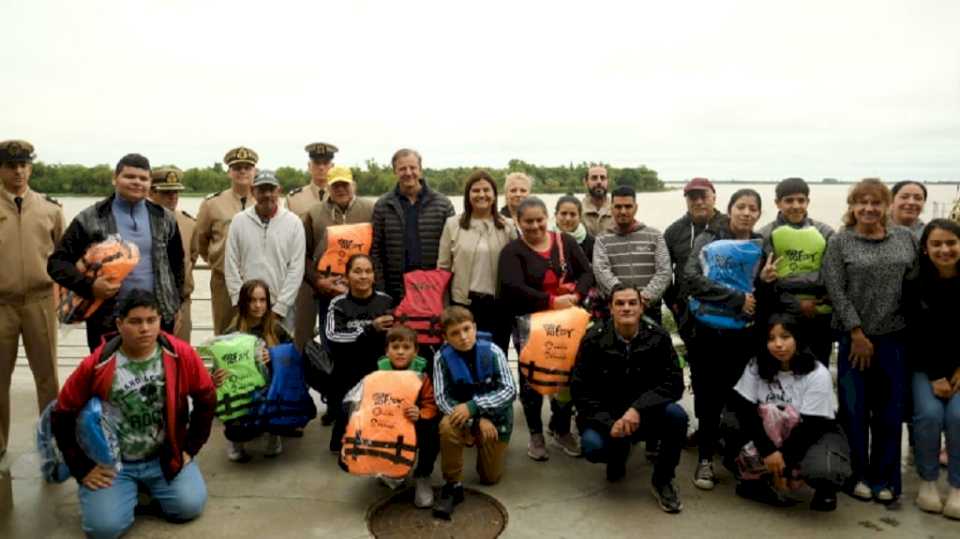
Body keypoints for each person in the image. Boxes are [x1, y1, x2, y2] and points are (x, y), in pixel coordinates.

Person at [50, 290, 216, 539]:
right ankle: (124, 492)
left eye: (152, 320)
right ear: (120, 324)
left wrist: (190, 447)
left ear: (161, 320)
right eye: (135, 322)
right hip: (114, 464)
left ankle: (142, 491)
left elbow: (206, 399)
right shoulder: (98, 363)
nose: (145, 329)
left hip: (163, 457)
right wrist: (82, 468)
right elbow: (62, 414)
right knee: (103, 530)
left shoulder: (181, 354)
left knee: (188, 507)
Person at [683, 188, 787, 491]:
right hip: (706, 332)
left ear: (758, 214)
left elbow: (762, 299)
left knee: (743, 397)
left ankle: (738, 456)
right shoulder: (708, 239)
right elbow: (692, 278)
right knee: (706, 397)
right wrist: (734, 298)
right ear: (729, 209)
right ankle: (705, 459)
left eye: (752, 208)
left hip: (743, 336)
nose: (746, 213)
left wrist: (765, 284)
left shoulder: (761, 245)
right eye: (740, 206)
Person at [822, 178, 918, 504]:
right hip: (855, 340)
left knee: (890, 413)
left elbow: (914, 286)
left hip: (894, 339)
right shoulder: (840, 242)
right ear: (851, 206)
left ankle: (886, 479)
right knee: (854, 410)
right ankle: (857, 475)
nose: (868, 208)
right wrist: (856, 332)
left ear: (886, 205)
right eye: (861, 202)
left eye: (875, 202)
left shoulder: (905, 238)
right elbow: (835, 289)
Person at [48, 153, 184, 351]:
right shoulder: (90, 218)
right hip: (106, 319)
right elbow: (57, 263)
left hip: (157, 318)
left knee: (157, 377)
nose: (137, 182)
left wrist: (176, 304)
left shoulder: (164, 218)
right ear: (115, 178)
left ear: (150, 183)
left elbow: (177, 264)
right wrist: (90, 286)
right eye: (130, 177)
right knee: (107, 378)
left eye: (143, 178)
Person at [571, 285, 688, 513]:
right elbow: (580, 391)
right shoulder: (593, 340)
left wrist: (638, 409)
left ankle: (662, 480)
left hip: (644, 414)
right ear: (610, 308)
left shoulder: (659, 338)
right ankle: (618, 453)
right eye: (620, 303)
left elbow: (674, 384)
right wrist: (608, 422)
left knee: (677, 417)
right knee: (593, 447)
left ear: (641, 306)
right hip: (608, 416)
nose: (626, 308)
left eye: (632, 303)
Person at [498, 196, 594, 461]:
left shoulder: (566, 242)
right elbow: (512, 288)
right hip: (530, 325)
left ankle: (561, 428)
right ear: (518, 222)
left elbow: (587, 273)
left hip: (565, 323)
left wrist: (576, 296)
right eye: (528, 221)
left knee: (566, 378)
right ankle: (535, 434)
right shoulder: (512, 251)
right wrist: (550, 300)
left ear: (547, 218)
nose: (535, 226)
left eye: (539, 220)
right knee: (532, 379)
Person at [723, 314, 851, 511]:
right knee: (732, 422)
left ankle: (824, 489)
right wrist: (769, 452)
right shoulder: (756, 366)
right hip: (771, 433)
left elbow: (812, 426)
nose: (779, 344)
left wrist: (785, 464)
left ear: (798, 338)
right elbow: (745, 410)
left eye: (785, 337)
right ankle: (757, 481)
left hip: (811, 433)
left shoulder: (817, 373)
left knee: (824, 469)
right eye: (771, 339)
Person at [0, 139, 64, 456]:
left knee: (48, 377)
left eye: (24, 165)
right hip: (1, 305)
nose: (19, 171)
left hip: (40, 301)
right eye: (12, 166)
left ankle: (51, 441)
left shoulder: (50, 209)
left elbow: (63, 257)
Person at [432, 306, 517, 519]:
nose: (463, 337)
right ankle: (453, 485)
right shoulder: (441, 358)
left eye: (466, 329)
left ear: (475, 327)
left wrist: (475, 409)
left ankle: (488, 445)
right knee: (447, 426)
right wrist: (474, 422)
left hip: (496, 419)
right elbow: (442, 399)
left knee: (490, 478)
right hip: (465, 419)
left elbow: (509, 390)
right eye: (454, 333)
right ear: (445, 337)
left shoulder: (493, 351)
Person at [908, 219, 960, 518]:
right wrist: (936, 375)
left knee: (958, 416)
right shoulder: (915, 284)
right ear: (925, 249)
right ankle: (928, 483)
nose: (944, 249)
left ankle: (957, 486)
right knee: (929, 416)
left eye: (951, 243)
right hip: (926, 367)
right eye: (936, 244)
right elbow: (915, 336)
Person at [757, 178, 835, 366]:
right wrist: (796, 305)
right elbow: (763, 280)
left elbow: (833, 274)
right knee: (783, 369)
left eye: (801, 200)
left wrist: (819, 301)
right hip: (780, 314)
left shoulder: (825, 232)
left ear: (808, 202)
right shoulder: (764, 235)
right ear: (778, 203)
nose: (796, 206)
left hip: (819, 313)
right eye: (789, 200)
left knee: (818, 366)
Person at [437, 169, 516, 354]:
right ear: (468, 195)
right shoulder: (452, 225)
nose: (482, 195)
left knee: (497, 356)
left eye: (486, 190)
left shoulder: (507, 226)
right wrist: (446, 308)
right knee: (466, 356)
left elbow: (516, 269)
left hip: (498, 306)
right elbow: (443, 269)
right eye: (476, 190)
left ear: (495, 195)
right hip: (464, 305)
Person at [213, 278, 291, 462]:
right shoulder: (230, 333)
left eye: (262, 300)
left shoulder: (277, 329)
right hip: (242, 391)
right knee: (229, 395)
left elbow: (293, 361)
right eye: (252, 300)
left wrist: (274, 357)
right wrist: (217, 378)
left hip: (269, 389)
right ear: (243, 303)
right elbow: (218, 368)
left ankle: (274, 434)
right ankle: (235, 439)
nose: (257, 306)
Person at [325, 254, 394, 452]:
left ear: (374, 276)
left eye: (368, 271)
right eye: (357, 271)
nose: (363, 276)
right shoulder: (338, 303)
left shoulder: (386, 301)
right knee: (339, 446)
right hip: (347, 369)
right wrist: (369, 329)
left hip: (378, 367)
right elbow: (333, 335)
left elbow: (396, 336)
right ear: (347, 276)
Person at [370, 148, 454, 305]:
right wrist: (380, 290)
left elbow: (453, 249)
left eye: (413, 168)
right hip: (395, 290)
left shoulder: (443, 204)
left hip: (433, 288)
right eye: (402, 169)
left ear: (420, 170)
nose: (408, 173)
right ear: (395, 171)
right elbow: (375, 251)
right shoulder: (383, 205)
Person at [225, 170, 305, 330]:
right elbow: (231, 263)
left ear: (279, 191)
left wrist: (281, 307)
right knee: (248, 353)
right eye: (262, 190)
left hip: (282, 308)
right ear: (252, 191)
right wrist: (239, 300)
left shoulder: (294, 223)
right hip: (249, 306)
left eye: (271, 189)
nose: (267, 195)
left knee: (280, 354)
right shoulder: (239, 221)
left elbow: (296, 268)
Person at [373, 324, 439, 508]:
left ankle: (422, 476)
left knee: (432, 431)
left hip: (415, 423)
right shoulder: (379, 373)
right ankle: (392, 469)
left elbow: (430, 403)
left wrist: (420, 413)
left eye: (406, 347)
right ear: (387, 351)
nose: (400, 352)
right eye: (395, 347)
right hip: (389, 425)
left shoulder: (422, 375)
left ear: (415, 351)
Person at [194, 146, 258, 334]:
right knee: (224, 332)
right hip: (223, 281)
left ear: (254, 170)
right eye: (237, 168)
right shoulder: (212, 204)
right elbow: (201, 241)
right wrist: (217, 260)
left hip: (257, 280)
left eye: (247, 167)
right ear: (230, 172)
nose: (243, 172)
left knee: (258, 333)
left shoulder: (264, 200)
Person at [592, 185, 671, 324]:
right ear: (611, 208)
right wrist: (624, 300)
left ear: (636, 207)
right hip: (617, 311)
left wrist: (643, 300)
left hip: (649, 310)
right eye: (618, 206)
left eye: (628, 206)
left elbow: (664, 271)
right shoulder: (602, 239)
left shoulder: (654, 236)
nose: (623, 211)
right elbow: (601, 271)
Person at [287, 142, 339, 350]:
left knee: (334, 334)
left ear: (331, 166)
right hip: (305, 276)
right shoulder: (294, 198)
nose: (321, 167)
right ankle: (300, 380)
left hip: (336, 277)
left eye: (325, 163)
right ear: (310, 166)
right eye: (316, 163)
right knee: (302, 333)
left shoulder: (341, 192)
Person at [663, 177, 728, 324]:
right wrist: (672, 302)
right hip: (686, 307)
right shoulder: (674, 231)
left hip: (724, 303)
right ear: (686, 200)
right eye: (693, 197)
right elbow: (663, 270)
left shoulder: (729, 225)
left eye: (703, 196)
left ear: (714, 197)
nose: (699, 202)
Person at [149, 166, 198, 344]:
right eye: (166, 192)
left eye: (176, 192)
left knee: (179, 355)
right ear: (151, 192)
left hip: (180, 302)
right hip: (147, 304)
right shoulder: (140, 222)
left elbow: (193, 256)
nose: (173, 197)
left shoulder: (189, 223)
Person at [553, 195, 595, 261]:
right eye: (564, 213)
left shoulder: (591, 243)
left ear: (580, 217)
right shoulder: (546, 240)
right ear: (556, 215)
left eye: (573, 214)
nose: (568, 219)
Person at [581, 165, 612, 236]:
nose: (599, 182)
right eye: (594, 178)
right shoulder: (577, 211)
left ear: (608, 182)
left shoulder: (617, 210)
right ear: (586, 182)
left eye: (603, 178)